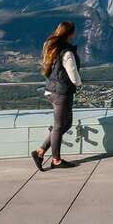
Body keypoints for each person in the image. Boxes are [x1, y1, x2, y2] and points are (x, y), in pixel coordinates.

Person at [31, 21, 82, 170]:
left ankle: (40, 152)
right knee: (60, 126)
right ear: (71, 34)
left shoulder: (52, 47)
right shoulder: (66, 52)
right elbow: (73, 75)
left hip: (51, 90)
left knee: (65, 124)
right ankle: (56, 160)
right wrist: (78, 83)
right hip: (62, 93)